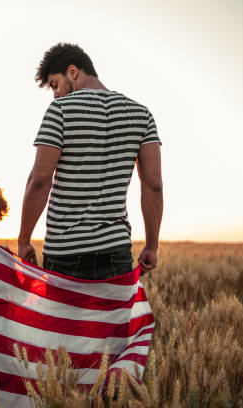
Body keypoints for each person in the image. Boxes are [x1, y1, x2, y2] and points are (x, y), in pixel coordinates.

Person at [17, 43, 163, 279]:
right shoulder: (142, 114)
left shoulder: (60, 110)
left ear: (73, 71)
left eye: (55, 84)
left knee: (64, 317)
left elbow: (40, 181)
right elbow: (154, 185)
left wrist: (24, 240)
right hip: (116, 250)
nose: (55, 93)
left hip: (65, 250)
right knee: (112, 318)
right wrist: (152, 246)